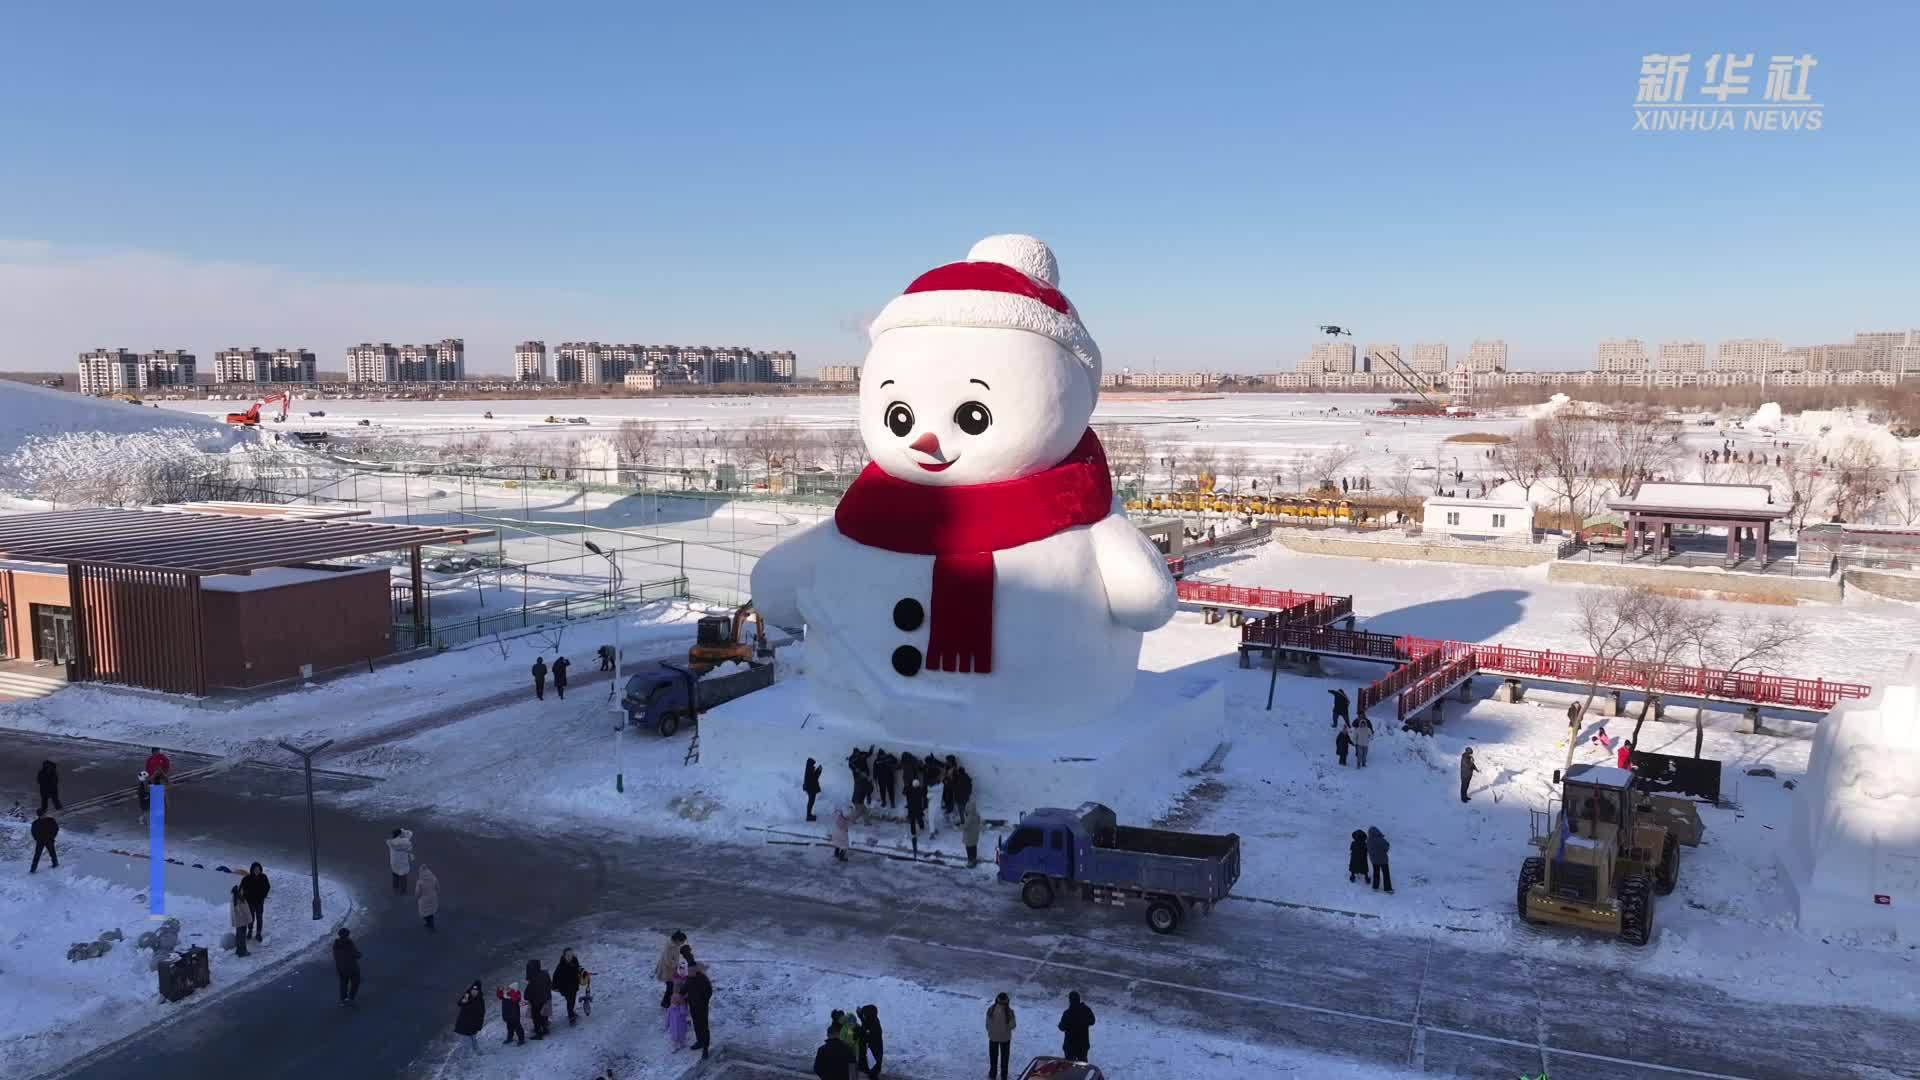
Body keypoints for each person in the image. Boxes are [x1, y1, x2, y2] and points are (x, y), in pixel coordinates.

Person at [684, 952, 713, 1059]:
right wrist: (680, 995)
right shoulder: (689, 978)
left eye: (690, 971)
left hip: (702, 1007)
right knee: (696, 1025)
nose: (688, 972)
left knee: (704, 1027)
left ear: (696, 971)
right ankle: (699, 1042)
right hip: (693, 1006)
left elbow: (709, 992)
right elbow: (685, 988)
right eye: (688, 970)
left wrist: (703, 1002)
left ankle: (705, 1048)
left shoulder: (704, 980)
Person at [986, 992, 1017, 1080]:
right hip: (1005, 1039)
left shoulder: (990, 1009)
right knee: (1005, 1057)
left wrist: (992, 1032)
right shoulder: (1010, 1012)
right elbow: (1013, 1026)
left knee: (993, 1056)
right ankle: (1004, 1075)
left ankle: (993, 1074)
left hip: (993, 1037)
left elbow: (987, 1025)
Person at [1058, 991, 1095, 1062]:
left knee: (1069, 1067)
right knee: (1083, 1067)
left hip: (1070, 1046)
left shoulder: (1067, 1013)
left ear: (1070, 1000)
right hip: (1083, 1045)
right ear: (1079, 999)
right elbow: (1092, 1021)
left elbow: (1061, 1027)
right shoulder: (1086, 1010)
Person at [454, 981, 487, 1059]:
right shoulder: (467, 995)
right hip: (463, 1023)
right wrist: (463, 1001)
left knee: (473, 1039)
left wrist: (479, 1025)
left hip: (473, 1024)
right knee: (467, 1042)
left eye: (476, 990)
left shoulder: (480, 1000)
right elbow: (459, 1003)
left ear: (478, 991)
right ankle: (464, 1057)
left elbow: (482, 1013)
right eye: (473, 990)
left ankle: (477, 1051)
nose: (474, 992)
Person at [656, 931, 688, 1008]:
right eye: (682, 941)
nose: (683, 943)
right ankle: (665, 1003)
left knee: (671, 986)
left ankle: (666, 1003)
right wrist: (677, 965)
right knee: (670, 987)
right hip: (667, 970)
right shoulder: (670, 947)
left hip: (670, 969)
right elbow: (668, 961)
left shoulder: (674, 944)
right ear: (677, 940)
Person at [665, 959, 691, 1050]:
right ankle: (676, 1043)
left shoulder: (687, 979)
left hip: (683, 1000)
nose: (682, 970)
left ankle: (681, 1041)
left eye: (683, 968)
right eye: (680, 968)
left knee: (681, 1028)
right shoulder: (676, 977)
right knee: (675, 1030)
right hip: (678, 1000)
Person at [240, 862, 269, 941]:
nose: (257, 871)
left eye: (258, 869)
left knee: (259, 917)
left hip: (259, 902)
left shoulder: (263, 877)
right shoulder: (247, 878)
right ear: (252, 870)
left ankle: (258, 933)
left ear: (260, 870)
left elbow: (267, 887)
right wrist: (245, 896)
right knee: (251, 918)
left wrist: (263, 896)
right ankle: (250, 931)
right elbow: (241, 888)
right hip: (250, 902)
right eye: (255, 869)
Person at [525, 958, 553, 1039]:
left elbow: (527, 994)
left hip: (536, 1002)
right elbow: (549, 985)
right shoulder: (545, 974)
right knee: (544, 1015)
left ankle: (539, 1033)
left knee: (536, 1017)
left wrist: (527, 997)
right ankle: (545, 1029)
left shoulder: (532, 979)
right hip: (545, 999)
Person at [554, 948, 584, 1025]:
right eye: (568, 955)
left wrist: (582, 973)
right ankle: (571, 1017)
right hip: (565, 988)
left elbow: (578, 969)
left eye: (571, 955)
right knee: (570, 1001)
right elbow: (555, 977)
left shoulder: (575, 961)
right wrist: (555, 987)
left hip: (574, 985)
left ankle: (571, 1012)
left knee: (572, 1000)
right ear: (564, 956)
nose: (569, 957)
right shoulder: (561, 966)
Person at [332, 927, 362, 1005]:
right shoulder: (349, 943)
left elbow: (337, 957)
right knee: (356, 982)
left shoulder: (336, 945)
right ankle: (350, 997)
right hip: (352, 968)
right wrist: (358, 954)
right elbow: (355, 954)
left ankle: (344, 999)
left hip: (341, 968)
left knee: (343, 984)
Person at [857, 1003, 883, 1079]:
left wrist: (856, 1031)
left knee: (872, 1075)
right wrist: (860, 1014)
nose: (863, 1016)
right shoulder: (874, 1020)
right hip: (874, 1057)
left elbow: (862, 1035)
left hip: (871, 1059)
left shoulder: (872, 1030)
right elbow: (865, 1022)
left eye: (864, 1014)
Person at [904, 778, 928, 857]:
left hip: (911, 808)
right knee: (919, 818)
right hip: (918, 808)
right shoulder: (920, 790)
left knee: (912, 821)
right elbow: (924, 792)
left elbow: (904, 792)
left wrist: (908, 786)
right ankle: (921, 826)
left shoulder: (910, 790)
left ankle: (913, 833)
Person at [387, 828, 414, 894]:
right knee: (403, 877)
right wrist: (403, 832)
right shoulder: (406, 842)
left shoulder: (391, 842)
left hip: (394, 862)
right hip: (403, 863)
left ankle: (395, 888)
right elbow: (410, 833)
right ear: (400, 834)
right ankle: (403, 891)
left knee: (395, 874)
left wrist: (401, 832)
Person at [1367, 826, 1393, 893]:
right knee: (1386, 873)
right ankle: (1387, 888)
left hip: (1374, 860)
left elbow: (1368, 850)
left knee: (1376, 872)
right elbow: (1387, 847)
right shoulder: (1380, 839)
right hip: (1383, 860)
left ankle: (1375, 887)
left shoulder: (1369, 840)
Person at [229, 884, 252, 957]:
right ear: (239, 891)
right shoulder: (238, 899)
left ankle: (239, 950)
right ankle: (243, 951)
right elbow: (239, 911)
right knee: (242, 936)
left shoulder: (236, 898)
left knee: (239, 936)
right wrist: (245, 917)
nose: (243, 891)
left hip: (239, 921)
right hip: (242, 921)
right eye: (241, 890)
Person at [416, 864, 440, 931]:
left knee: (425, 912)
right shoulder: (433, 877)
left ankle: (429, 924)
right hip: (433, 897)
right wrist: (437, 892)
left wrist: (417, 897)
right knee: (431, 911)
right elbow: (438, 886)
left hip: (424, 900)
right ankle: (430, 924)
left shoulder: (420, 882)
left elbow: (417, 892)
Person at [962, 798, 984, 868]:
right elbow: (979, 823)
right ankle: (974, 859)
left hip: (969, 837)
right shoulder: (977, 815)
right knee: (974, 848)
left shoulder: (969, 817)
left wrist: (960, 826)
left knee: (969, 849)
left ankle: (970, 861)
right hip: (975, 836)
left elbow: (966, 826)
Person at [803, 757, 823, 821]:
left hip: (810, 788)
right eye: (813, 764)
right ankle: (808, 816)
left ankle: (809, 815)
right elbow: (814, 778)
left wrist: (818, 770)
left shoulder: (809, 768)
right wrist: (819, 770)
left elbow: (813, 777)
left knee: (811, 802)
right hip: (811, 788)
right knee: (811, 802)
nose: (814, 765)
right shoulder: (809, 769)